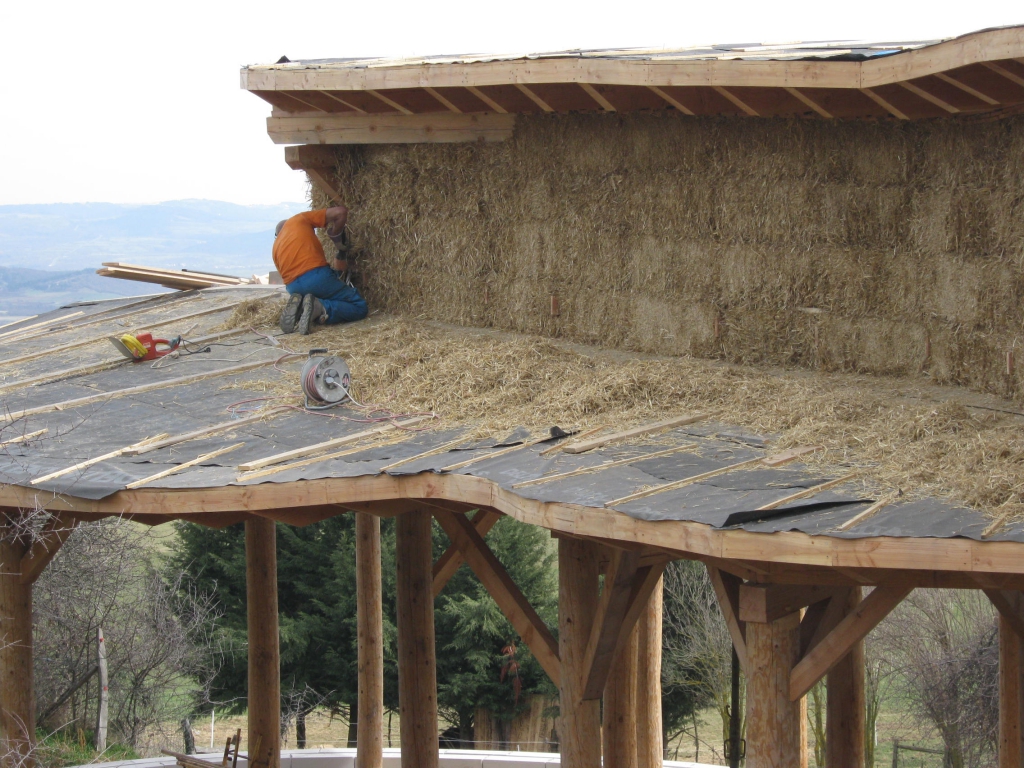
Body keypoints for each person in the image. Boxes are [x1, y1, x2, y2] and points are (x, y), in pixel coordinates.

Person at [273, 205, 368, 334]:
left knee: (321, 291)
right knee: (359, 307)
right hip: (316, 276)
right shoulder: (298, 219)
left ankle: (302, 307)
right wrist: (337, 236)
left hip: (294, 288)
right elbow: (340, 212)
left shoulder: (275, 249)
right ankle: (320, 307)